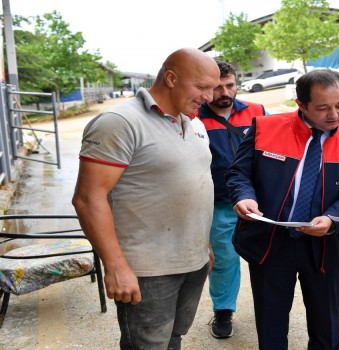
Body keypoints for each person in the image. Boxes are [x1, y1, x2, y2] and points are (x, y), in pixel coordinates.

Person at [71, 48, 219, 349]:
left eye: (213, 88)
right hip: (147, 271)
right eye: (203, 87)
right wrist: (115, 266)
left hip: (192, 261)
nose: (210, 97)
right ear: (171, 78)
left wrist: (204, 246)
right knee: (147, 345)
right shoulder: (119, 123)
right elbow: (88, 199)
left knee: (174, 338)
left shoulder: (192, 122)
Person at [225, 69, 339, 349]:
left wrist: (332, 218)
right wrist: (243, 196)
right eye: (323, 107)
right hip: (271, 240)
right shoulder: (265, 127)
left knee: (326, 324)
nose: (334, 115)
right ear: (301, 104)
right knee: (271, 320)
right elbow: (238, 173)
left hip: (324, 244)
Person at [192, 60, 266, 339]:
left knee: (267, 259)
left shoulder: (258, 112)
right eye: (217, 87)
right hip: (218, 203)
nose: (224, 92)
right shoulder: (193, 117)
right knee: (223, 260)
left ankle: (270, 308)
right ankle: (223, 311)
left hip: (258, 202)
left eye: (230, 85)